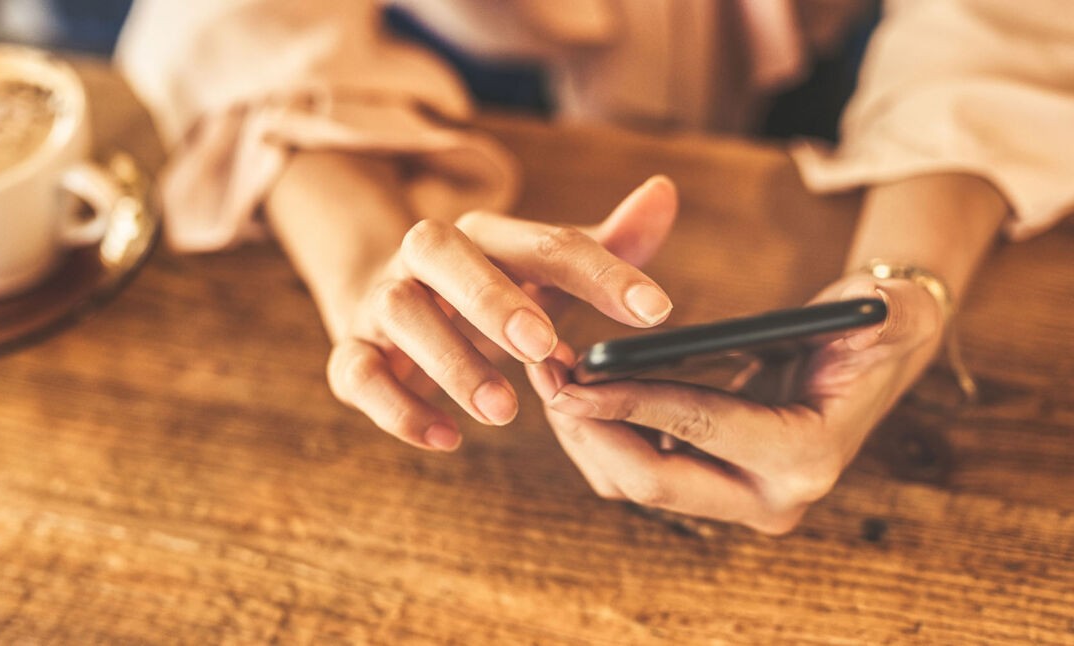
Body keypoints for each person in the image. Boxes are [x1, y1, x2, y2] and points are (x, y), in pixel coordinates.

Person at [114, 0, 1074, 534]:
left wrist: (910, 286)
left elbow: (1004, 22)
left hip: (837, 64)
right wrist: (363, 251)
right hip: (426, 67)